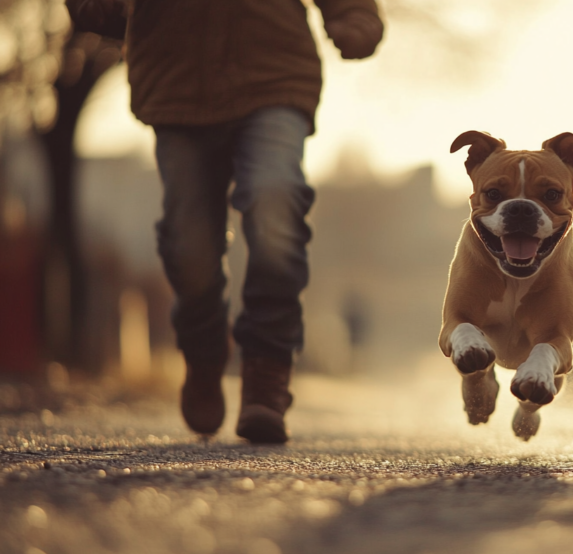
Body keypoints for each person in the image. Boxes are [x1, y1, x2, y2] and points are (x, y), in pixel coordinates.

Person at [66, 0, 384, 443]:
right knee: (188, 242)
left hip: (274, 72)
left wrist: (354, 14)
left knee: (276, 198)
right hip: (176, 80)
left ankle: (266, 375)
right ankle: (203, 353)